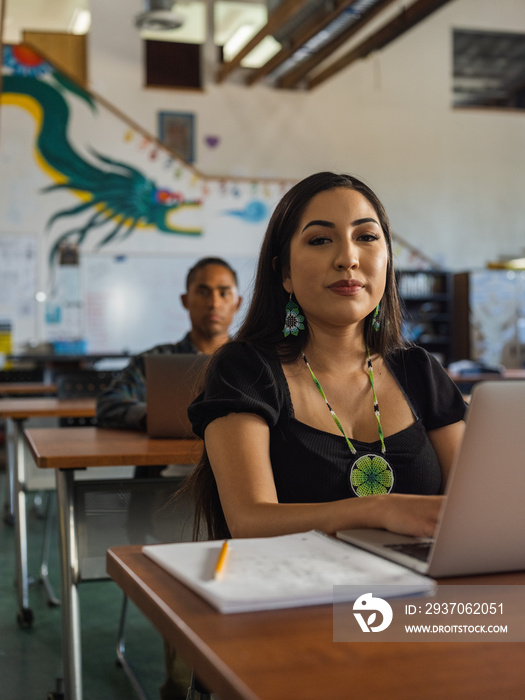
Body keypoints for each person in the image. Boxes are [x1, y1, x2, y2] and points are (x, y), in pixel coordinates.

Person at [186, 172, 467, 542]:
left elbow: (474, 504)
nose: (347, 258)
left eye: (366, 237)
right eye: (320, 240)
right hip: (296, 592)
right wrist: (379, 509)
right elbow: (249, 520)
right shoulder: (245, 369)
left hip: (419, 592)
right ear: (284, 273)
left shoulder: (419, 370)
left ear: (387, 261)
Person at [96, 255, 241, 700]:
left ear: (239, 301)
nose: (213, 302)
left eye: (223, 292)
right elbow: (109, 403)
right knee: (193, 564)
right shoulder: (156, 362)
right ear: (185, 300)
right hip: (170, 498)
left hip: (245, 496)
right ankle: (186, 686)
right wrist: (158, 415)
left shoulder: (254, 362)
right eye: (202, 291)